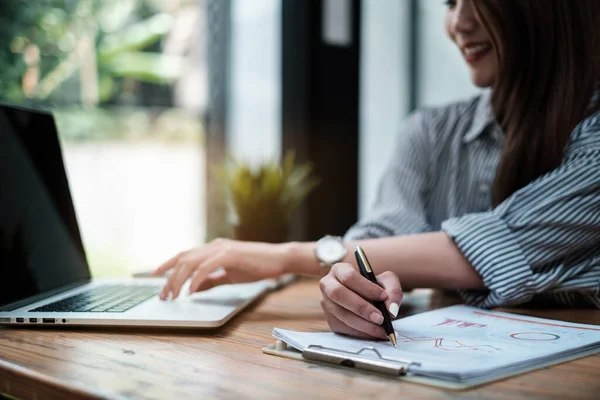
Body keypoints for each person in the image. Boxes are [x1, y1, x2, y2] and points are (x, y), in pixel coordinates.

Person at [154, 0, 600, 340]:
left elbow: (487, 251)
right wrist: (356, 286)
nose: (458, 23)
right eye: (449, 2)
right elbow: (379, 243)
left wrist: (282, 257)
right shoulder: (429, 131)